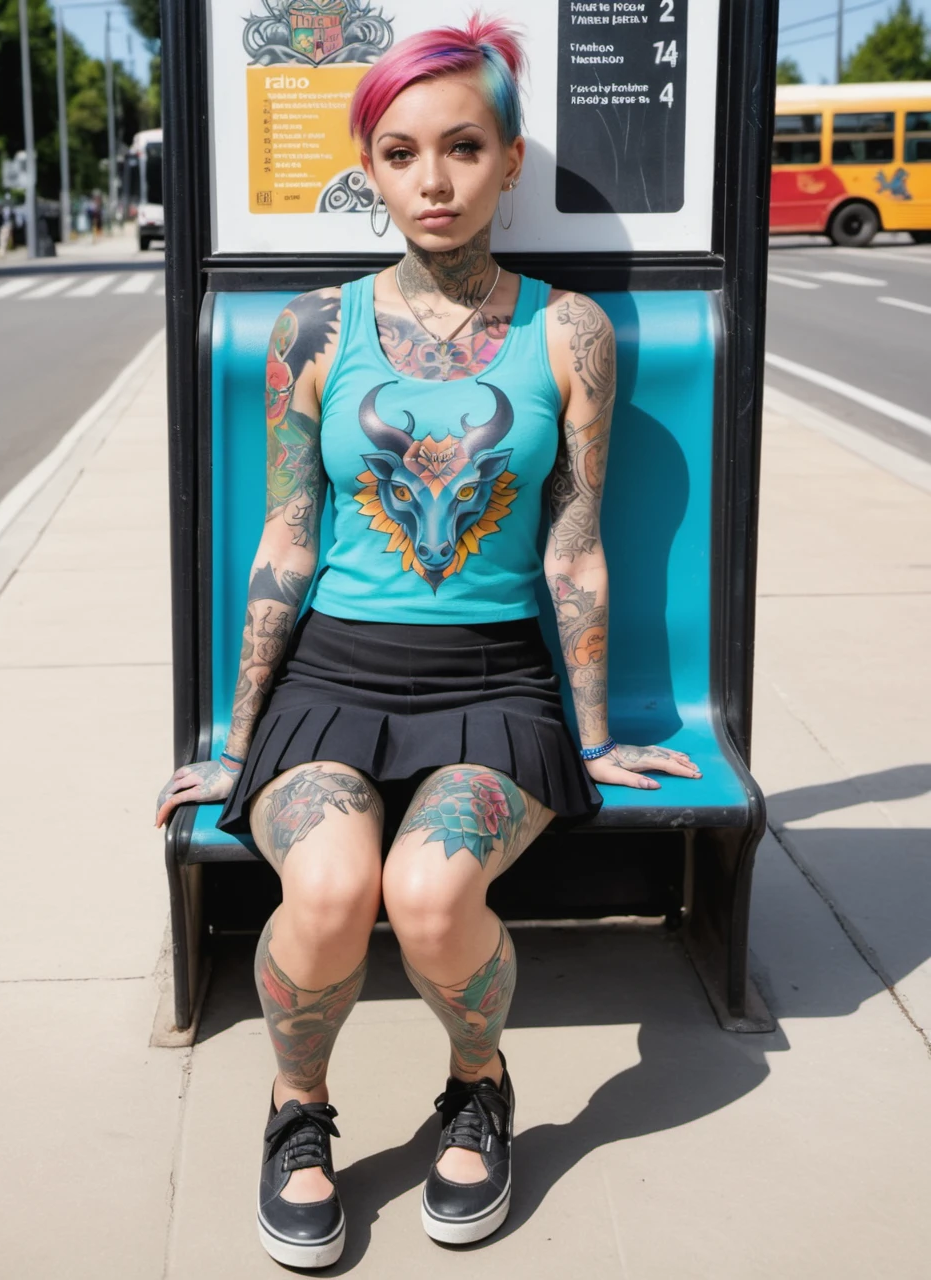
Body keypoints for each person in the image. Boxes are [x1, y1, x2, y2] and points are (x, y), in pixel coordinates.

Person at [155, 14, 701, 1267]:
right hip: (333, 678)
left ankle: (476, 1083)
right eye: (401, 152)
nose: (434, 179)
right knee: (334, 887)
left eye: (463, 146)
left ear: (512, 159)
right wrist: (237, 742)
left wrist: (598, 731)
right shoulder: (313, 331)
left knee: (433, 890)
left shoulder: (571, 334)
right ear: (372, 169)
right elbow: (287, 539)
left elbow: (573, 541)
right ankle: (298, 1109)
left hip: (495, 683)